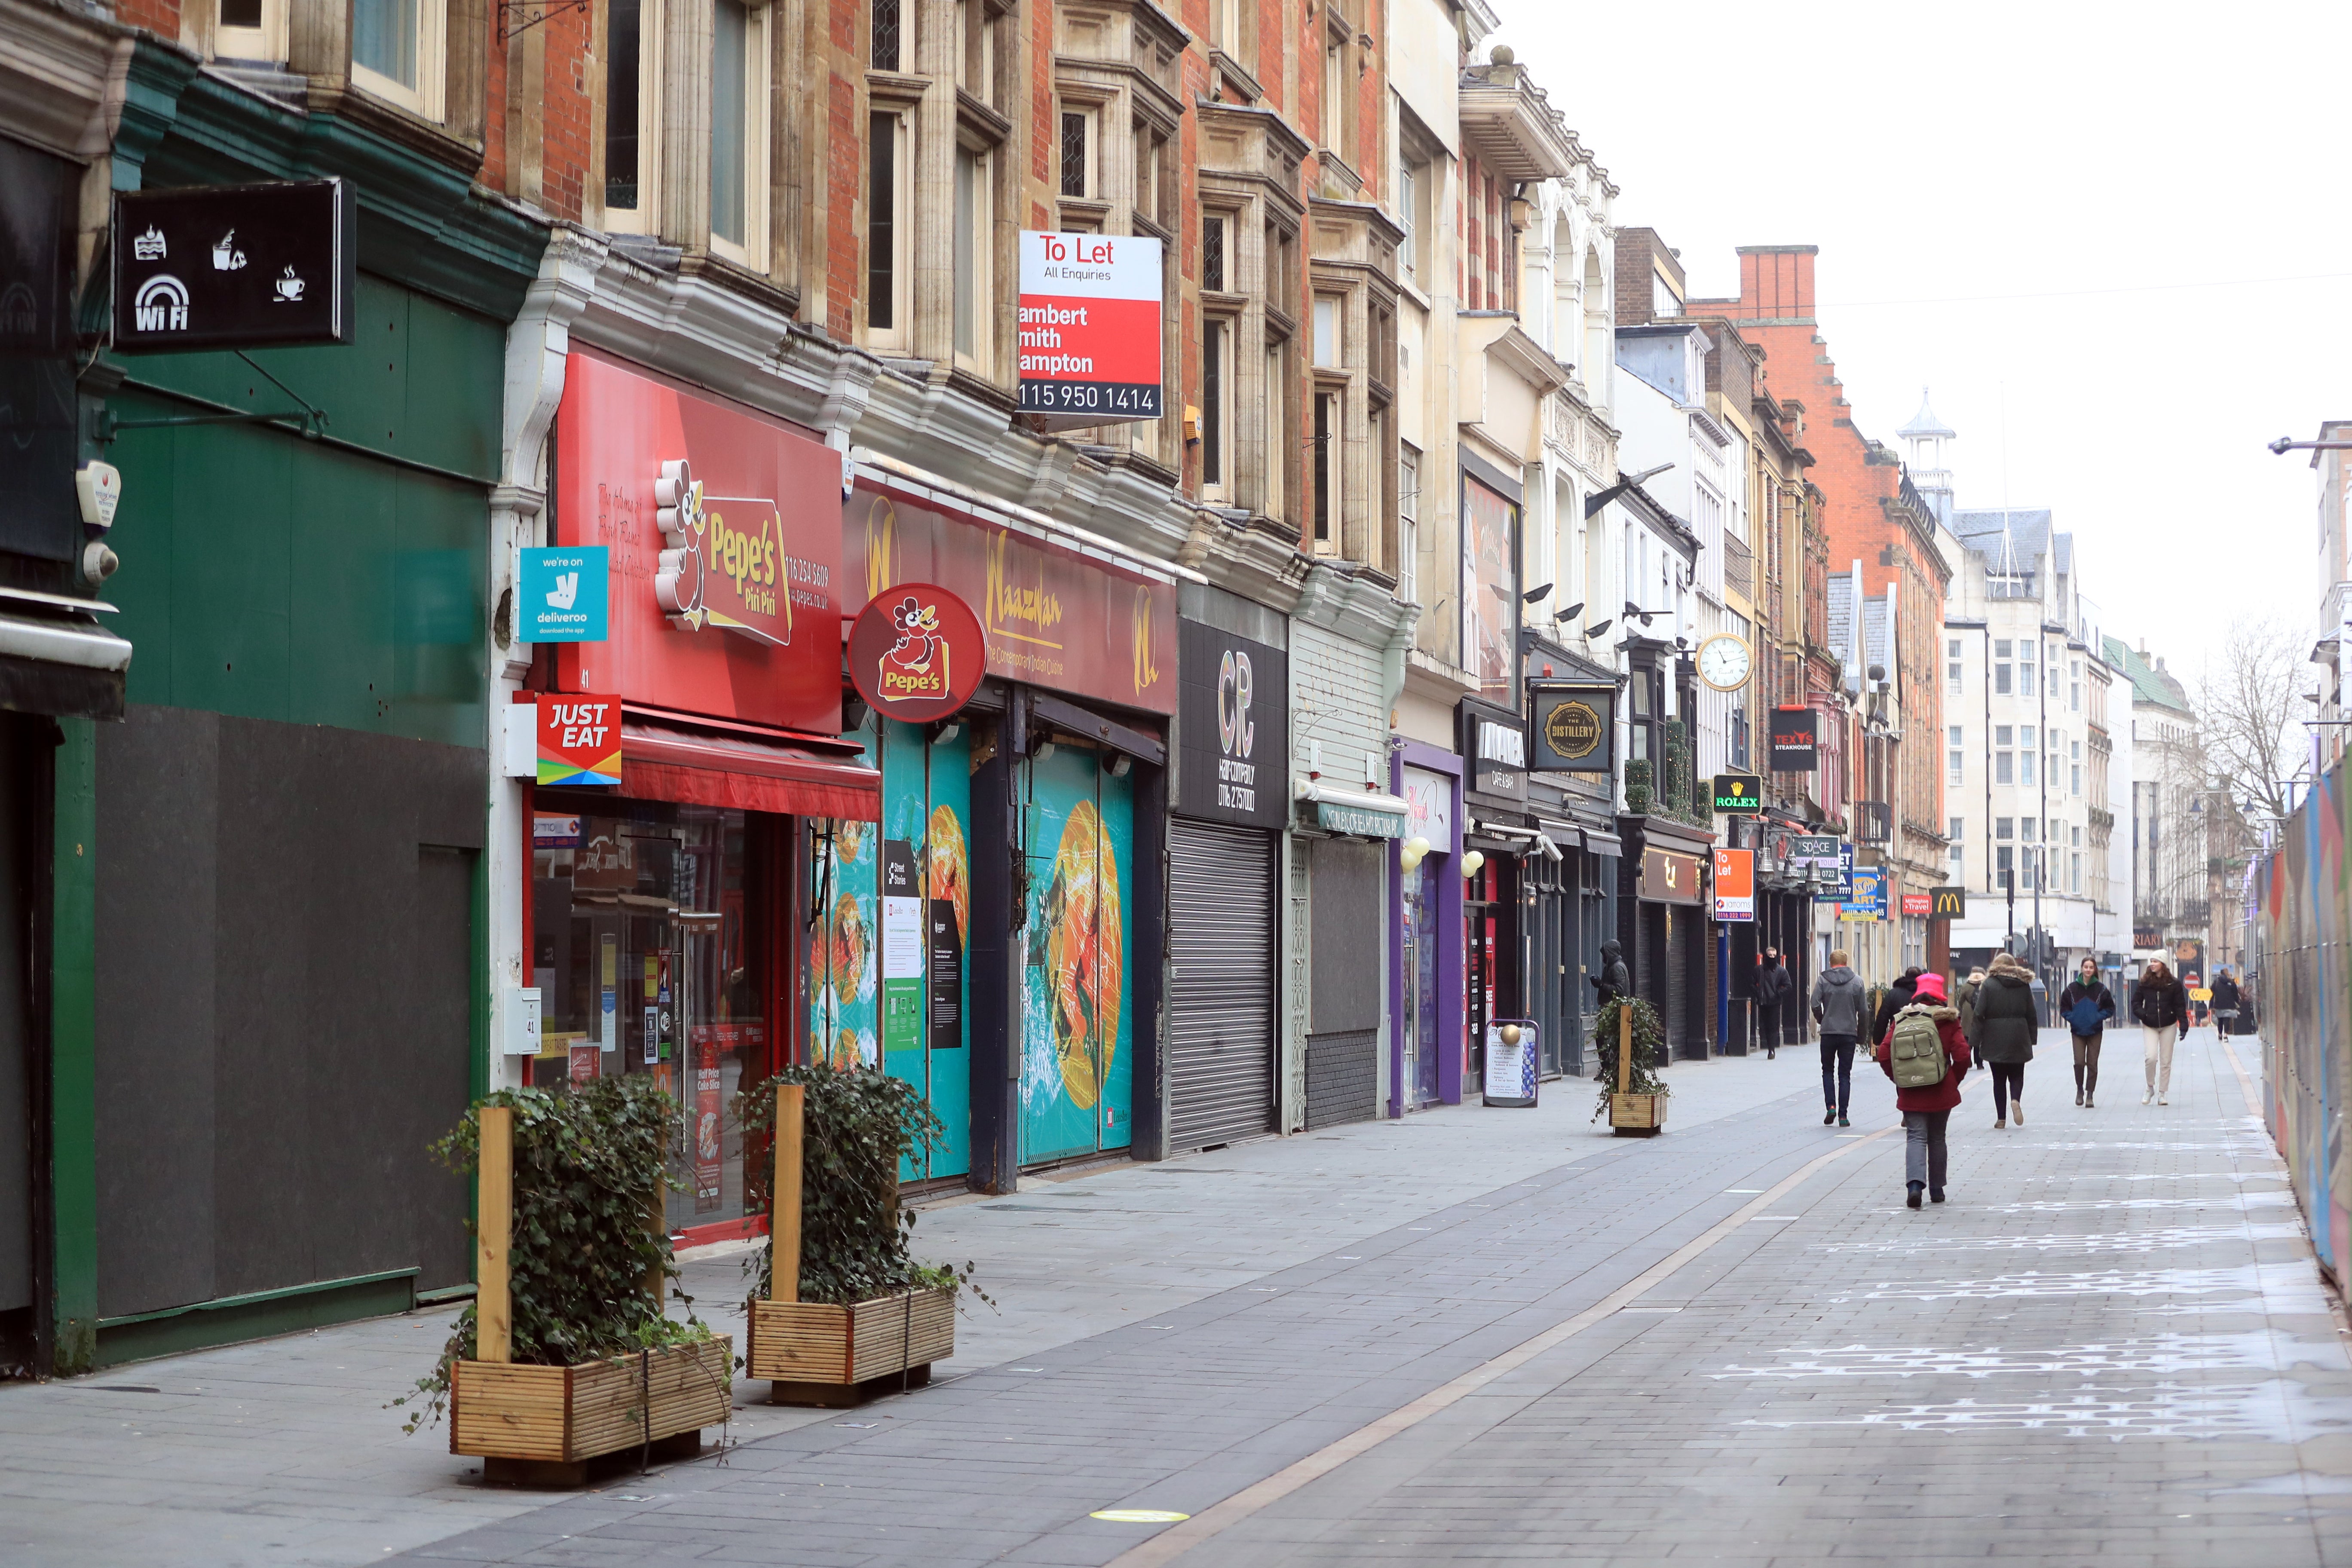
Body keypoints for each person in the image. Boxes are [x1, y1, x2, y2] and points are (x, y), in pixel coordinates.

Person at [1874, 969, 1972, 1208]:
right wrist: (1952, 1080)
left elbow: (1884, 1054)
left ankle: (1915, 1187)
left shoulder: (1903, 1020)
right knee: (1938, 1138)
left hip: (1911, 1090)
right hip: (1941, 1091)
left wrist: (1900, 1079)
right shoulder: (1948, 1021)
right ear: (1941, 996)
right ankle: (1937, 1190)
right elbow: (1963, 1056)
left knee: (1915, 1137)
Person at [1973, 950, 2039, 1128]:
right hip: (2019, 1035)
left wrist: (1974, 1040)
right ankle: (2016, 1100)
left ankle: (2001, 1119)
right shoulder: (2023, 985)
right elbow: (2032, 1014)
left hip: (1995, 1036)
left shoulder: (1989, 985)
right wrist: (2032, 1038)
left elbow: (1979, 1013)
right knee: (2017, 1075)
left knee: (1999, 1080)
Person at [1810, 948, 1868, 1127]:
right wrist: (1862, 1035)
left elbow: (1814, 1003)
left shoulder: (1823, 980)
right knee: (1845, 1075)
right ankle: (1843, 1116)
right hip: (1849, 1033)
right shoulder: (1857, 981)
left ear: (1830, 963)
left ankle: (1831, 1107)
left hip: (1828, 1033)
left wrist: (1822, 1019)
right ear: (1846, 962)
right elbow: (1864, 1011)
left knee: (1827, 1071)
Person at [2058, 958, 2116, 1108]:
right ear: (2082, 968)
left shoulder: (2101, 989)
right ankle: (2079, 1090)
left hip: (2095, 1031)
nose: (2088, 970)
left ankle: (2090, 1093)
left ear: (2094, 969)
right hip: (2077, 1031)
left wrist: (2098, 1017)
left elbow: (2110, 1008)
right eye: (2086, 967)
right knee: (2079, 1062)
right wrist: (2073, 1019)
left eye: (2091, 967)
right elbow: (2064, 1008)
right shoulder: (2071, 989)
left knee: (2092, 1063)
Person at [2134, 959, 2189, 1105]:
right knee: (2151, 1058)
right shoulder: (2144, 983)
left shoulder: (2174, 984)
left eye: (2156, 961)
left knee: (2166, 1061)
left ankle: (2162, 1093)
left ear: (2163, 964)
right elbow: (2136, 1003)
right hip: (2150, 1025)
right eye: (2151, 961)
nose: (2152, 964)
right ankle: (2150, 1087)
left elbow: (2180, 1005)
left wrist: (2184, 1024)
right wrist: (2144, 1015)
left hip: (2169, 1024)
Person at [1871, 966, 1925, 1051]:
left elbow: (1883, 1018)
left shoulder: (1894, 994)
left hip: (1899, 1038)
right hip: (1923, 1040)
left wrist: (1878, 1040)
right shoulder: (1926, 994)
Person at [1754, 948, 1793, 1060]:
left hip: (1775, 1002)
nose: (1772, 957)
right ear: (1766, 956)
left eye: (1774, 955)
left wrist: (1777, 993)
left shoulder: (1781, 971)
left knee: (1773, 1026)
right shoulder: (1759, 970)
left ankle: (1772, 1050)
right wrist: (1758, 992)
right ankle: (1768, 1046)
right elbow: (1752, 983)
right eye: (1769, 955)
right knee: (1765, 1025)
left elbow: (1788, 986)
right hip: (1762, 1001)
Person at [1592, 940, 1632, 1011]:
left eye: (1605, 954)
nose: (1603, 957)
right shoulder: (1611, 967)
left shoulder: (1617, 967)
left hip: (1616, 1011)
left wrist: (1601, 984)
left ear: (1609, 954)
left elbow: (1619, 990)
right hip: (1612, 1009)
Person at [1955, 966, 1988, 1045]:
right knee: (1978, 1045)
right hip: (1981, 1015)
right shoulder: (1986, 986)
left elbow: (1960, 1002)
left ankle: (1968, 1055)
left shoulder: (1966, 986)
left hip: (1967, 1014)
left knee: (1967, 1041)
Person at [2210, 967, 2243, 1038]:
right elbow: (2235, 993)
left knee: (2220, 1020)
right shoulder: (2231, 982)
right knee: (2227, 1020)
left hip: (2219, 1004)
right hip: (2229, 1004)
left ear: (2221, 973)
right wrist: (2237, 1001)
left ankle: (2220, 1034)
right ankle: (2225, 1034)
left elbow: (2212, 989)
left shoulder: (2216, 982)